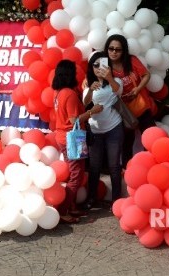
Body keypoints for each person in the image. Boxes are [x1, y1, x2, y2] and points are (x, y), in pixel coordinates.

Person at [52, 59, 103, 223]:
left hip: (62, 136)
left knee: (73, 172)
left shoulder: (59, 92)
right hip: (72, 138)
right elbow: (74, 120)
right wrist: (92, 111)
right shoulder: (70, 93)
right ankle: (63, 210)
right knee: (76, 175)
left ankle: (71, 206)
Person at [104, 34, 156, 168]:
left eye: (118, 49)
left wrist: (138, 89)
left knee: (151, 136)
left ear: (123, 51)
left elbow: (146, 75)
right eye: (111, 49)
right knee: (127, 140)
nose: (114, 52)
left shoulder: (131, 60)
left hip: (140, 106)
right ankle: (128, 168)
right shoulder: (104, 66)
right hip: (121, 110)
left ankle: (150, 164)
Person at [83, 51, 124, 209]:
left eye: (103, 64)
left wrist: (108, 78)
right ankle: (91, 198)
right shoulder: (88, 84)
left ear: (108, 66)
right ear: (91, 67)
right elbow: (85, 103)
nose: (99, 68)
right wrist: (91, 89)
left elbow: (118, 90)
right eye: (95, 65)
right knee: (94, 166)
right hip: (95, 130)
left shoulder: (116, 81)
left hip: (114, 128)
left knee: (114, 166)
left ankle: (116, 201)